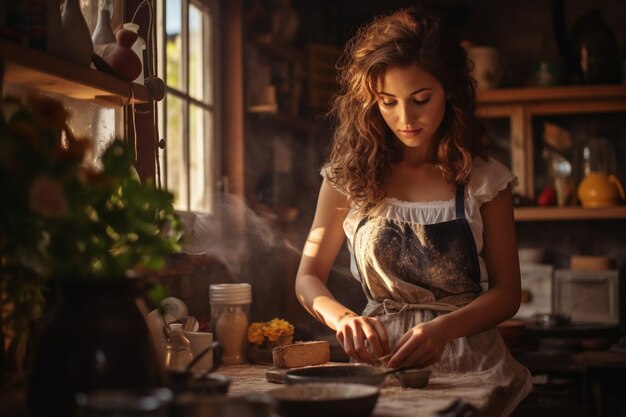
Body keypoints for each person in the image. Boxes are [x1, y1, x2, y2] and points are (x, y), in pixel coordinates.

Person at [294, 6, 532, 415]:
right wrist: (344, 320)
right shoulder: (348, 177)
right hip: (379, 367)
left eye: (421, 99)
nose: (405, 118)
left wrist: (443, 330)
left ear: (450, 92)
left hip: (470, 364)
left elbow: (508, 294)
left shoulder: (484, 180)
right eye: (388, 102)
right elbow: (308, 278)